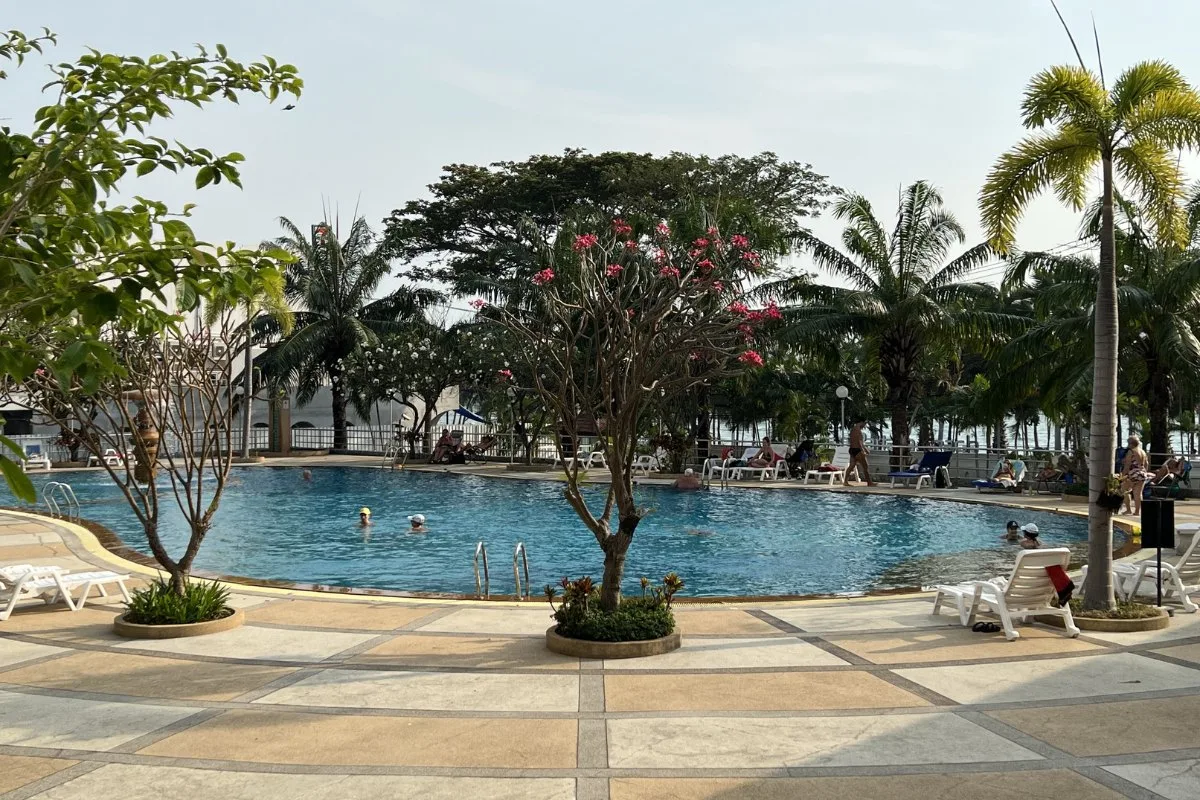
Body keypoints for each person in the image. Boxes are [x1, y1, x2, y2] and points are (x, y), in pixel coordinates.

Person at [1120, 435, 1152, 515]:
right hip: (1142, 474)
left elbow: (1127, 465)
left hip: (1133, 474)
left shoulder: (1131, 452)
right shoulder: (1142, 452)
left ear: (1131, 444)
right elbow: (1146, 464)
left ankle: (1128, 510)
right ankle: (1137, 511)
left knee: (1125, 490)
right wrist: (1144, 472)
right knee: (1138, 494)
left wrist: (1122, 475)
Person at [849, 418, 875, 486]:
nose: (864, 425)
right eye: (865, 424)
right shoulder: (858, 431)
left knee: (851, 466)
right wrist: (864, 450)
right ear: (861, 422)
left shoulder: (853, 430)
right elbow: (860, 443)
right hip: (858, 450)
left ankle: (845, 481)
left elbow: (852, 440)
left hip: (852, 449)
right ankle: (869, 483)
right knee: (865, 466)